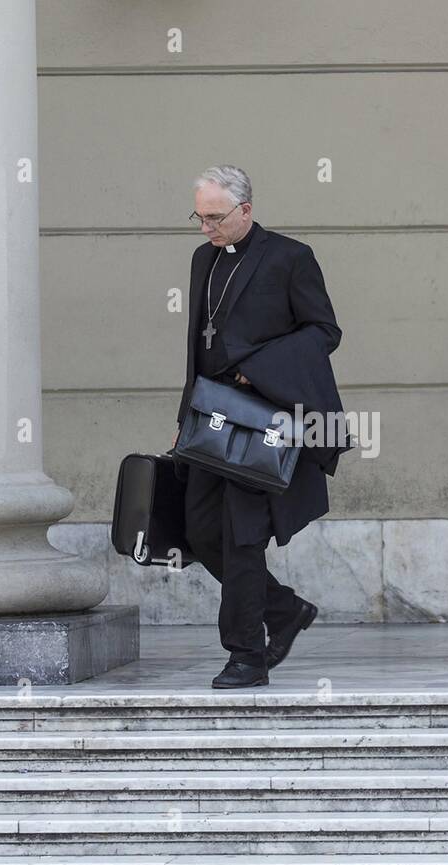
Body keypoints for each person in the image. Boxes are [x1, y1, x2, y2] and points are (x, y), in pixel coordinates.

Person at [173, 165, 349, 688]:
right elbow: (200, 344)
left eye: (215, 217)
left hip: (261, 421)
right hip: (210, 420)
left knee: (242, 536)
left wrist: (260, 369)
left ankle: (246, 655)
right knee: (201, 532)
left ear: (245, 210)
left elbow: (324, 331)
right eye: (199, 217)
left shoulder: (291, 258)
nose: (206, 228)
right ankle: (285, 610)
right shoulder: (203, 258)